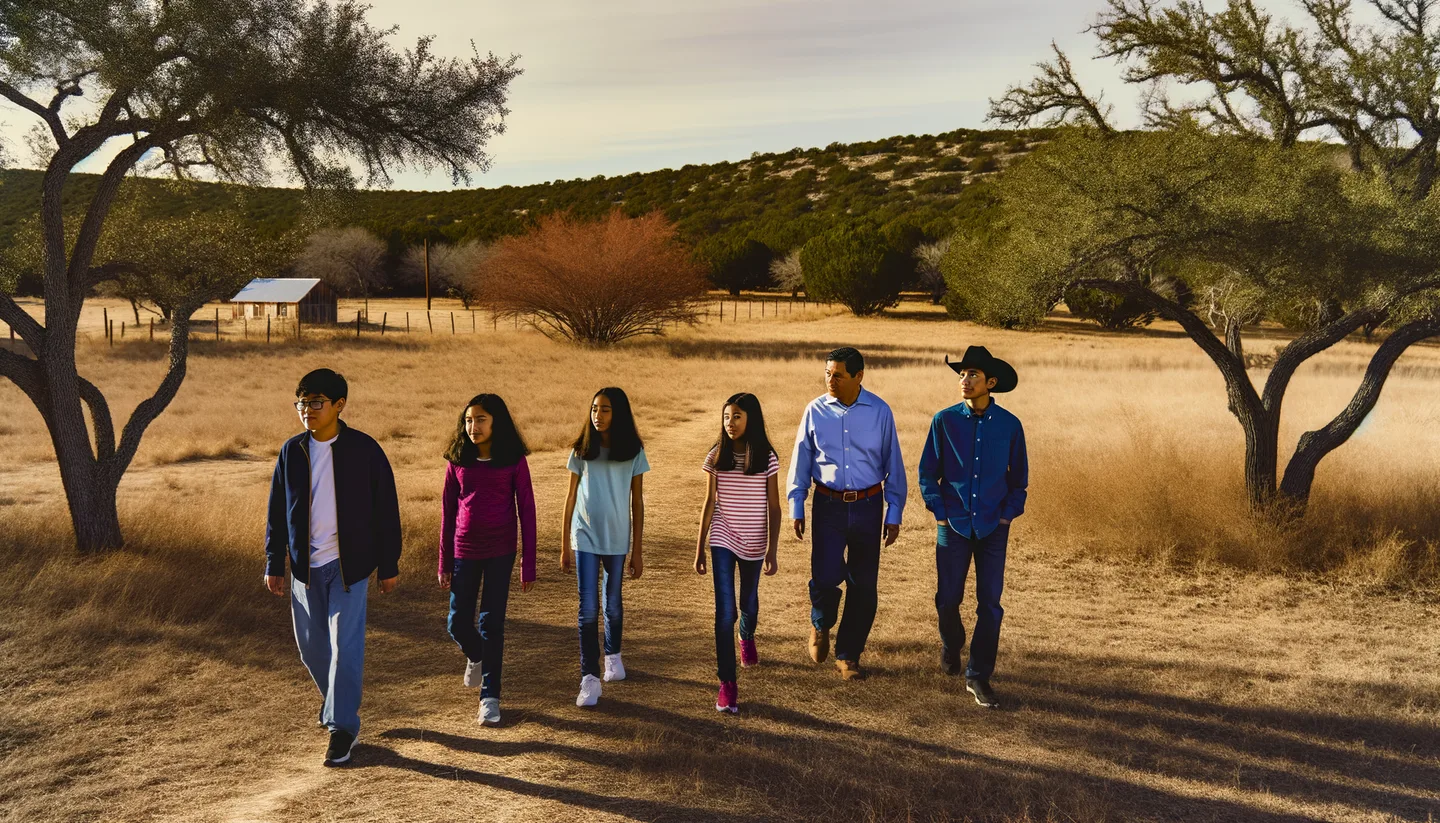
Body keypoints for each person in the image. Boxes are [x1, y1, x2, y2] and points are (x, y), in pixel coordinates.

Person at [263, 368, 401, 766]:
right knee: (312, 651)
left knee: (345, 648)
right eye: (302, 403)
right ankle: (337, 706)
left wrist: (388, 564)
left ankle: (342, 729)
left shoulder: (365, 450)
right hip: (305, 570)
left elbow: (385, 509)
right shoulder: (292, 451)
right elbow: (276, 512)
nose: (308, 410)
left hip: (348, 568)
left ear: (339, 405)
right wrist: (275, 561)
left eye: (316, 402)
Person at [786, 347, 906, 681]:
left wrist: (893, 510)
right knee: (825, 577)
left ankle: (848, 656)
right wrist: (797, 503)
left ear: (858, 376)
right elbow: (801, 458)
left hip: (869, 506)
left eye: (838, 375)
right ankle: (821, 623)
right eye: (827, 373)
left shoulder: (880, 411)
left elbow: (893, 463)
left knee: (863, 586)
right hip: (828, 504)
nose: (830, 380)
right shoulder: (815, 411)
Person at [918, 346, 1028, 710]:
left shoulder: (1010, 426)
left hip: (994, 527)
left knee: (990, 604)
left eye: (973, 375)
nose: (964, 381)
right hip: (953, 524)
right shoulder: (943, 421)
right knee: (948, 599)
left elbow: (1019, 481)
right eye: (962, 374)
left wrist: (1006, 516)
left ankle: (978, 675)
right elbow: (927, 474)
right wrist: (940, 514)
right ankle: (951, 643)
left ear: (990, 383)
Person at [437, 393, 537, 727]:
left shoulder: (513, 461)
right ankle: (477, 655)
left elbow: (528, 510)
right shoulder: (458, 460)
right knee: (456, 623)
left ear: (496, 422)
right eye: (468, 420)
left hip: (501, 551)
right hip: (464, 549)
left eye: (480, 420)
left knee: (491, 623)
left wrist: (528, 562)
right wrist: (444, 561)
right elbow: (448, 511)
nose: (473, 427)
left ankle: (490, 697)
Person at [693, 392, 781, 714]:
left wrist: (772, 548)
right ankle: (727, 683)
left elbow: (774, 506)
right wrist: (700, 546)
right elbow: (709, 503)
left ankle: (747, 635)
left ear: (751, 419)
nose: (730, 423)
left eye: (737, 417)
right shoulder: (717, 457)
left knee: (748, 605)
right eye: (726, 417)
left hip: (756, 542)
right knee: (725, 611)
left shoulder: (767, 458)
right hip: (722, 538)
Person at [560, 387, 648, 707]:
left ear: (619, 413)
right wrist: (564, 545)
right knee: (587, 609)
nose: (598, 415)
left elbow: (637, 501)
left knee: (612, 604)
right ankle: (589, 679)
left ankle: (613, 655)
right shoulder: (581, 449)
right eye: (595, 409)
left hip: (617, 539)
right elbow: (571, 497)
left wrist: (637, 550)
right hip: (584, 536)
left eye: (606, 409)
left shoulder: (633, 451)